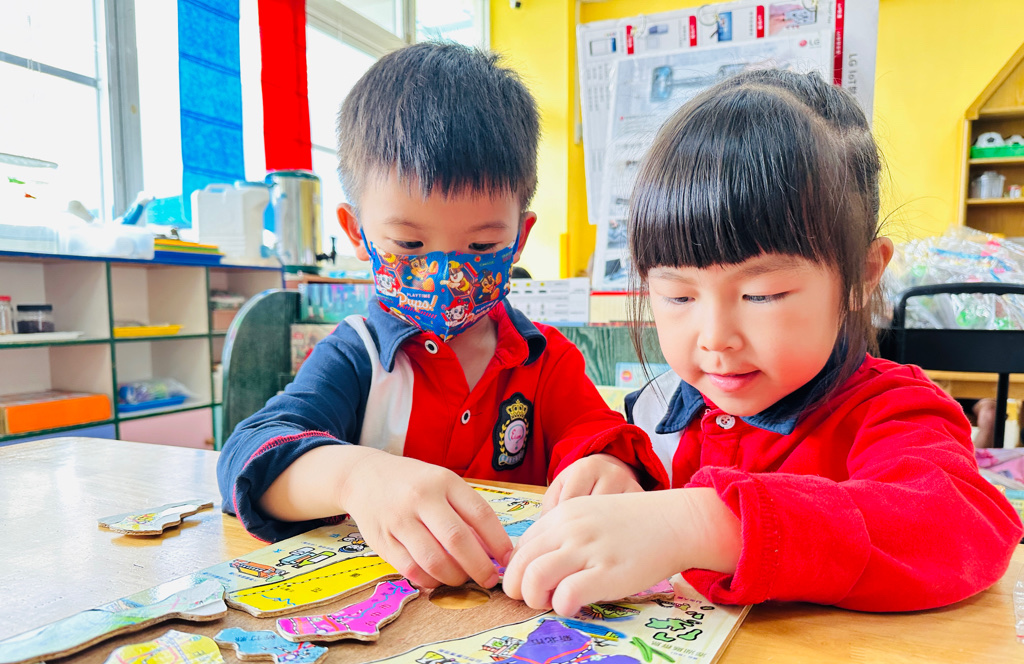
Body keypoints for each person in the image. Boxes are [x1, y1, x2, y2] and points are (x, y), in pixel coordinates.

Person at [503, 69, 1023, 617]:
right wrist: (621, 474)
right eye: (678, 296)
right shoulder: (670, 406)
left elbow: (958, 529)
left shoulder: (894, 411)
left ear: (863, 276)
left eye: (763, 294)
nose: (715, 338)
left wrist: (705, 523)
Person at [218, 43, 662, 593]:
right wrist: (355, 477)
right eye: (409, 244)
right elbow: (248, 456)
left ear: (520, 238)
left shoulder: (544, 360)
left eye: (482, 246)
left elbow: (600, 438)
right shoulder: (356, 356)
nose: (444, 276)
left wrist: (610, 470)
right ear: (357, 232)